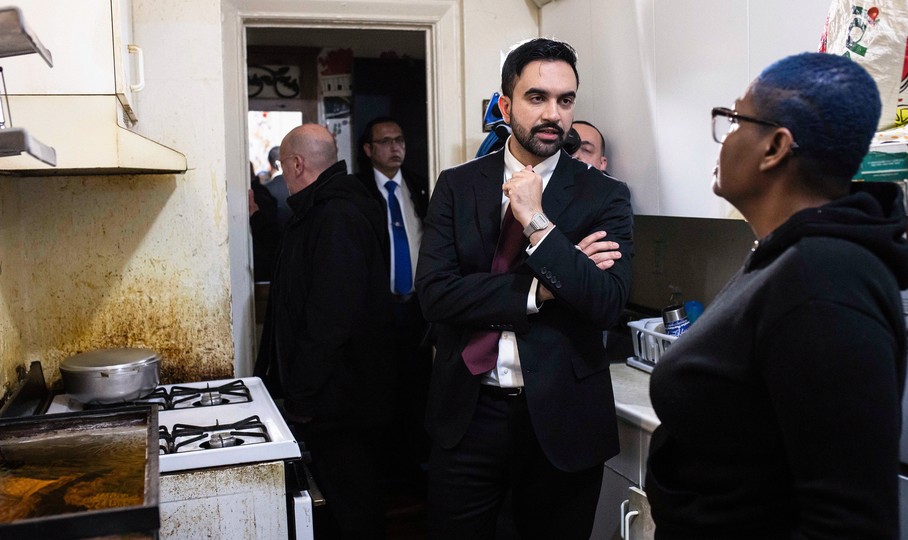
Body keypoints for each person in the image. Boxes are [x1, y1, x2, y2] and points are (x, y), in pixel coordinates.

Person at [645, 52, 908, 539]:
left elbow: (847, 523)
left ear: (774, 147)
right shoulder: (787, 258)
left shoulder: (823, 280)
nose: (724, 134)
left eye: (733, 118)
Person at [415, 37, 633, 539]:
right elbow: (435, 295)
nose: (553, 113)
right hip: (469, 415)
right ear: (506, 104)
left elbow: (605, 302)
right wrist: (544, 290)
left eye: (565, 99)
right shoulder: (458, 184)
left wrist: (537, 222)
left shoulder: (605, 196)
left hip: (564, 420)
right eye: (537, 98)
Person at [254, 124, 398, 539]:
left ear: (297, 164)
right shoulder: (324, 208)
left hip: (342, 400)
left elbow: (330, 316)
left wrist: (300, 393)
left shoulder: (338, 214)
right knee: (347, 499)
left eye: (283, 166)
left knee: (354, 504)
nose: (282, 175)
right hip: (337, 396)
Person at [356, 116, 432, 498]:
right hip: (377, 309)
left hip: (417, 308)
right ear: (369, 149)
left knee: (418, 388)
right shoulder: (358, 191)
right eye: (385, 142)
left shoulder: (419, 185)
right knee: (379, 391)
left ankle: (414, 470)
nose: (395, 147)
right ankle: (382, 472)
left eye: (399, 140)